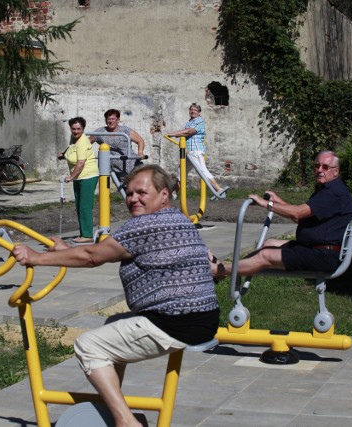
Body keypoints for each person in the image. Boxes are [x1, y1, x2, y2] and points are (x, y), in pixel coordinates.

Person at [12, 164, 219, 427]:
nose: (133, 199)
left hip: (172, 322)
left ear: (164, 195)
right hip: (203, 319)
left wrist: (37, 258)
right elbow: (107, 251)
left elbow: (93, 256)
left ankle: (125, 421)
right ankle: (111, 406)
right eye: (130, 193)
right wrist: (63, 251)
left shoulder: (143, 225)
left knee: (89, 346)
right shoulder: (180, 220)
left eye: (142, 192)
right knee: (114, 324)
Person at [211, 150, 352, 279]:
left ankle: (219, 270)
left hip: (322, 256)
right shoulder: (326, 190)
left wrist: (264, 203)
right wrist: (277, 201)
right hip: (314, 248)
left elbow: (298, 214)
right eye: (316, 166)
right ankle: (228, 270)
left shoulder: (334, 193)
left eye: (325, 167)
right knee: (269, 243)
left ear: (336, 171)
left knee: (265, 255)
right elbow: (299, 216)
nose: (319, 170)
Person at [167, 102, 228, 198]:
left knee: (202, 171)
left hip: (195, 151)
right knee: (181, 173)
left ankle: (218, 189)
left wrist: (173, 134)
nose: (193, 111)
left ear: (199, 112)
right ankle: (173, 193)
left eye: (195, 110)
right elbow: (186, 134)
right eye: (191, 109)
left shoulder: (199, 121)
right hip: (188, 152)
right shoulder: (189, 122)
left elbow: (189, 132)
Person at [59, 117, 99, 244]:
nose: (76, 131)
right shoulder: (73, 138)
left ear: (83, 129)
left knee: (84, 206)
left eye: (79, 129)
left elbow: (81, 163)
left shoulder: (82, 142)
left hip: (87, 176)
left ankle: (87, 235)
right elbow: (71, 148)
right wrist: (63, 154)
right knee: (79, 205)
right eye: (74, 129)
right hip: (79, 177)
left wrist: (71, 177)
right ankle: (83, 233)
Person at [90, 109, 146, 185]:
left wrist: (140, 152)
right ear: (106, 120)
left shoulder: (125, 130)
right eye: (108, 119)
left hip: (132, 166)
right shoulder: (100, 132)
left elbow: (140, 140)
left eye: (113, 119)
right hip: (117, 170)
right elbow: (87, 142)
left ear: (118, 120)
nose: (110, 121)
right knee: (124, 192)